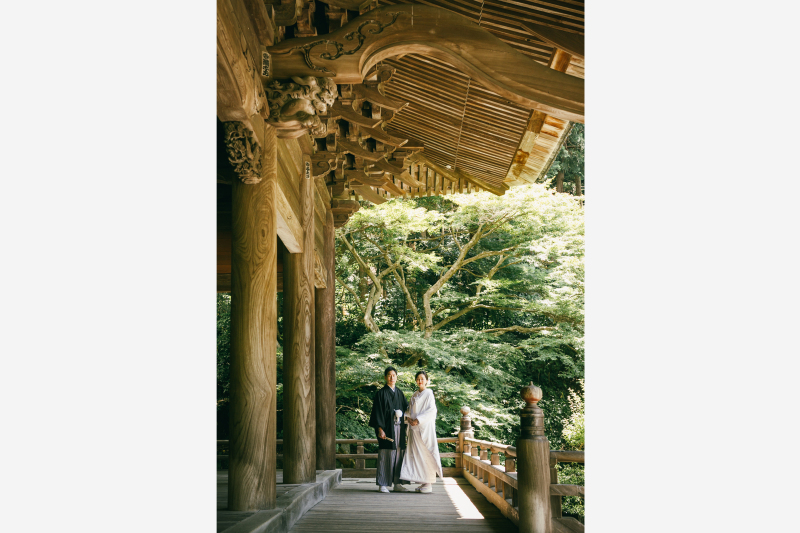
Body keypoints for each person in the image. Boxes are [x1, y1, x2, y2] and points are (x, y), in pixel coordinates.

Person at [368, 366, 411, 493]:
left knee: (399, 454)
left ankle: (398, 483)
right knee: (386, 454)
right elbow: (377, 413)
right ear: (385, 377)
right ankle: (383, 484)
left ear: (396, 377)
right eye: (389, 375)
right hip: (387, 429)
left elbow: (407, 409)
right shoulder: (381, 394)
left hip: (399, 428)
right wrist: (380, 429)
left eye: (394, 375)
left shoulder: (399, 393)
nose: (392, 377)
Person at [399, 370, 443, 493]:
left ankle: (428, 483)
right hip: (414, 429)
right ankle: (423, 482)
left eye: (422, 379)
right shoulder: (414, 395)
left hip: (424, 429)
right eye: (418, 379)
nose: (420, 381)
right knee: (417, 456)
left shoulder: (429, 393)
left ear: (427, 381)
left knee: (426, 454)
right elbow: (409, 410)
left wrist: (418, 420)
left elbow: (432, 411)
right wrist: (408, 418)